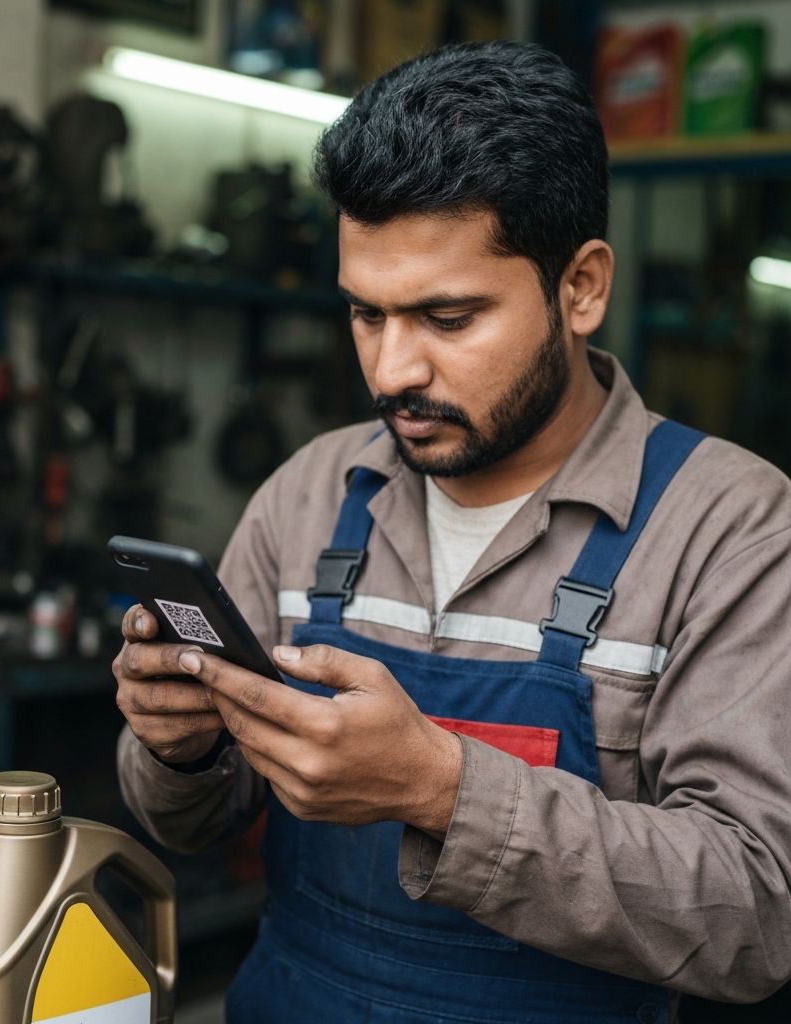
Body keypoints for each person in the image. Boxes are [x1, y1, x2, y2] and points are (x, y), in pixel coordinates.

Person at [114, 41, 791, 1024]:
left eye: (447, 315)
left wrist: (441, 789)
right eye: (365, 314)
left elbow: (756, 913)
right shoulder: (311, 492)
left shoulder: (726, 529)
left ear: (581, 288)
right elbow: (193, 822)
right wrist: (179, 750)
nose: (392, 371)